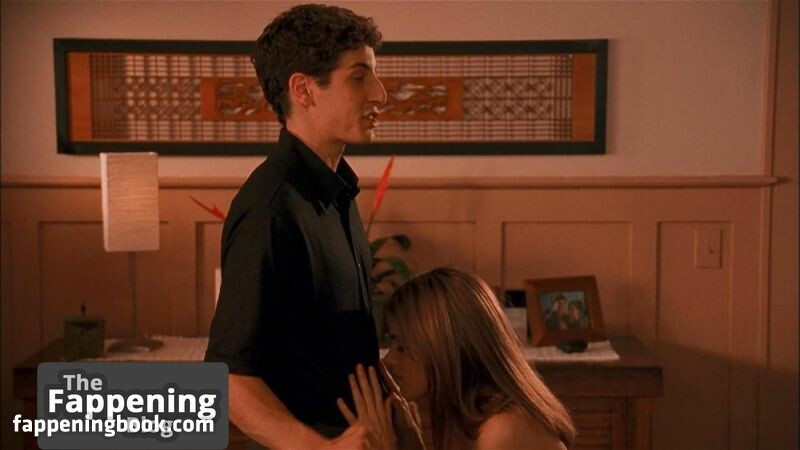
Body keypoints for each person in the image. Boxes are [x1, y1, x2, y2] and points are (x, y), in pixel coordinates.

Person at [204, 4, 389, 449]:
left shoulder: (337, 191)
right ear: (303, 89)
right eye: (359, 77)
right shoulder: (269, 210)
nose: (380, 94)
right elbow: (228, 376)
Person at [339, 268, 576, 450]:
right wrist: (412, 441)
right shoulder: (468, 414)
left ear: (445, 346)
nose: (389, 360)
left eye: (402, 347)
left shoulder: (503, 428)